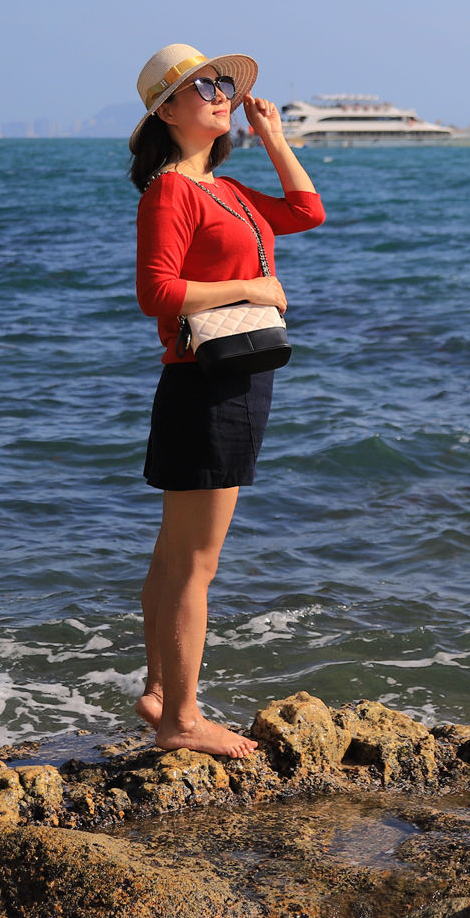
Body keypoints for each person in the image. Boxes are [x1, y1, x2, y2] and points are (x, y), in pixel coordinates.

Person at [126, 43, 323, 757]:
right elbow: (157, 292)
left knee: (173, 557)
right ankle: (182, 717)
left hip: (223, 382)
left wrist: (272, 136)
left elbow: (307, 210)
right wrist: (254, 288)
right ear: (167, 109)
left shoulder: (228, 189)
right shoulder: (172, 190)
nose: (218, 92)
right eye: (200, 85)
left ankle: (158, 691)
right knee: (194, 565)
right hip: (212, 384)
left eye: (222, 83)